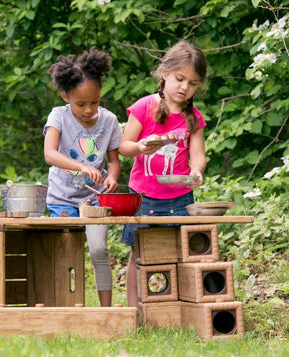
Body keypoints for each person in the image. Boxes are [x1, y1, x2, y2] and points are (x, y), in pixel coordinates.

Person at [119, 40, 208, 307]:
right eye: (180, 79)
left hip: (180, 198)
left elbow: (198, 155)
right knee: (139, 253)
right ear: (164, 73)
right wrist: (140, 147)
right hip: (143, 197)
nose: (185, 87)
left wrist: (196, 170)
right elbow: (124, 147)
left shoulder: (194, 117)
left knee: (182, 253)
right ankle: (134, 312)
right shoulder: (144, 106)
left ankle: (178, 309)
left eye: (193, 83)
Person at [43, 48, 121, 307]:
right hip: (61, 199)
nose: (89, 110)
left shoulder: (109, 121)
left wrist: (112, 178)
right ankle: (65, 308)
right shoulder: (59, 116)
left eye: (95, 102)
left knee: (99, 250)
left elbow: (113, 161)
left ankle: (106, 310)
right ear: (66, 96)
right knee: (66, 255)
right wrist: (80, 166)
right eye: (81, 104)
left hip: (94, 201)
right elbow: (50, 154)